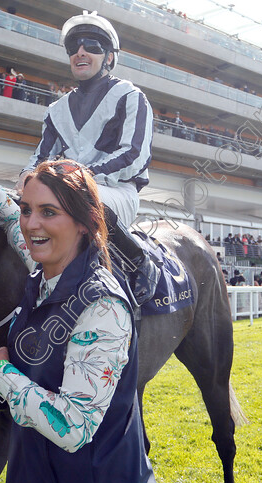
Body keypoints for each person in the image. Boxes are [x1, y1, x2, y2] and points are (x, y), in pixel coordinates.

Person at [0, 160, 158, 483]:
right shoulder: (45, 268)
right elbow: (12, 221)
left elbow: (74, 426)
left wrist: (0, 373)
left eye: (48, 212)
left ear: (84, 223)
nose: (32, 224)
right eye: (28, 209)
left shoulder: (102, 307)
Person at [21, 11, 156, 304]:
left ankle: (139, 261)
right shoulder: (56, 109)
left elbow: (134, 155)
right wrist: (26, 182)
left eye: (91, 45)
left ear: (108, 57)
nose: (80, 52)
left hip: (117, 192)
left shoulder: (130, 96)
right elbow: (38, 158)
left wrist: (80, 179)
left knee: (80, 199)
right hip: (65, 191)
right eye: (74, 47)